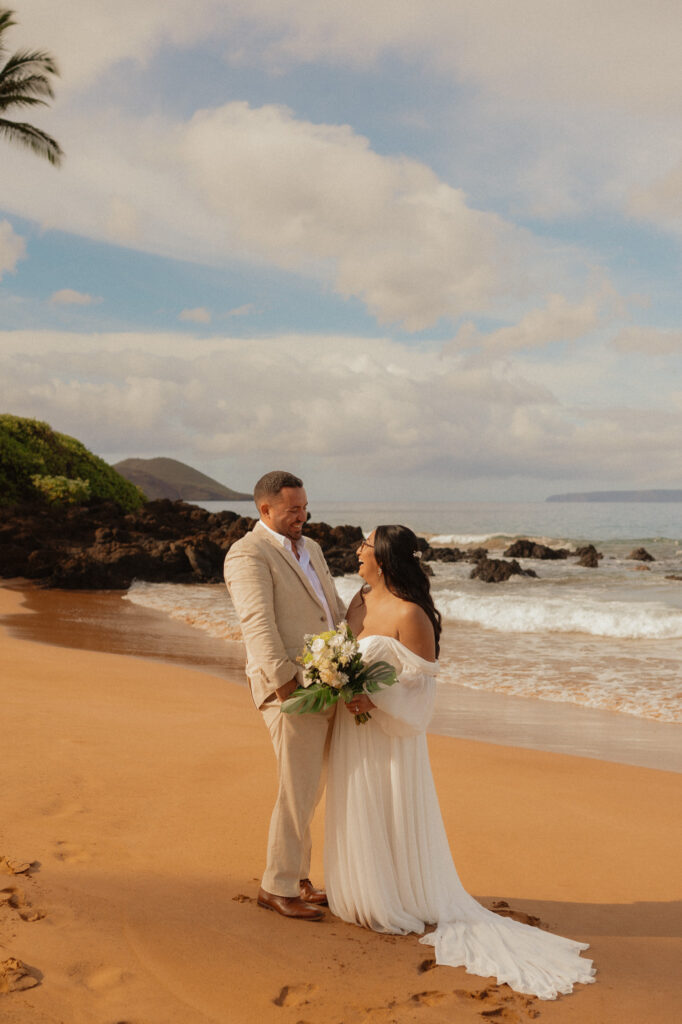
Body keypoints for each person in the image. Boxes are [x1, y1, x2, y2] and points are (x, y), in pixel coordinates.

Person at [324, 524, 596, 1000]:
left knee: (388, 804)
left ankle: (396, 895)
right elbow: (343, 655)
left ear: (383, 558)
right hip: (353, 730)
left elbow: (420, 691)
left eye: (364, 545)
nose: (357, 551)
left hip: (388, 733)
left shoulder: (412, 615)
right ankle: (360, 889)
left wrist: (373, 700)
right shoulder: (357, 601)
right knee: (356, 802)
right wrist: (334, 679)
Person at [224, 471, 345, 921]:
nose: (302, 515)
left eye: (305, 506)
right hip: (289, 689)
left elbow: (329, 606)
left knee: (309, 787)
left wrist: (348, 659)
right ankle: (276, 886)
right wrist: (287, 687)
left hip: (327, 681)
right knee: (297, 788)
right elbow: (257, 625)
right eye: (293, 509)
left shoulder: (310, 548)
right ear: (265, 510)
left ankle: (296, 877)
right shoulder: (247, 554)